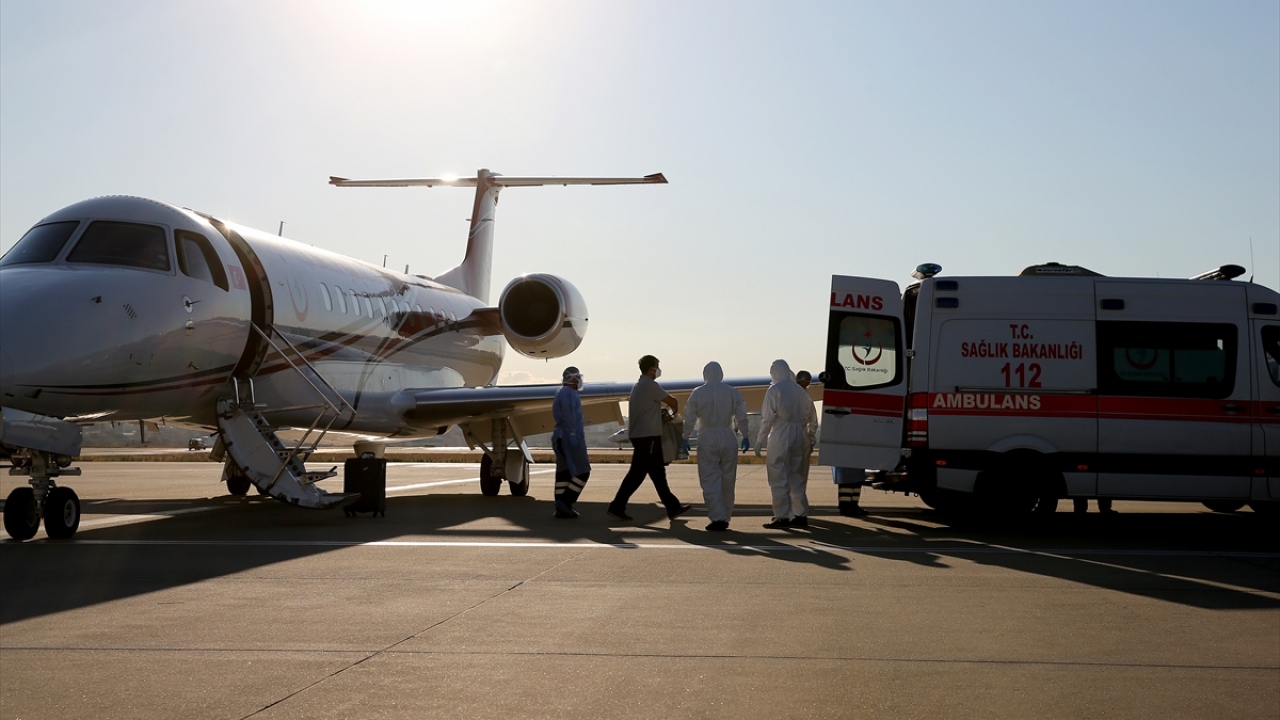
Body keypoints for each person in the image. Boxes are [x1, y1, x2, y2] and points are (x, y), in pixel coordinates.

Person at [607, 355, 692, 522]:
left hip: (643, 436)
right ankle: (617, 506)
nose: (659, 370)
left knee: (658, 474)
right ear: (652, 368)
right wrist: (672, 413)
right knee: (637, 474)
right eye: (657, 366)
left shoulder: (639, 385)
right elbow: (672, 401)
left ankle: (673, 507)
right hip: (648, 437)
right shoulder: (650, 385)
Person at [682, 361, 749, 531]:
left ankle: (717, 517)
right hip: (728, 436)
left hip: (708, 436)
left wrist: (685, 437)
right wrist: (746, 435)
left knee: (709, 479)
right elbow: (742, 416)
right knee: (728, 479)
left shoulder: (698, 393)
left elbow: (689, 418)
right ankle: (726, 516)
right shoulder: (732, 392)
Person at [756, 359, 818, 528]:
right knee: (798, 477)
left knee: (778, 476)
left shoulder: (774, 390)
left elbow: (767, 418)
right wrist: (811, 439)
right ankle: (800, 515)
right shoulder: (800, 391)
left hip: (781, 434)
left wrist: (760, 440)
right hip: (800, 434)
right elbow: (812, 417)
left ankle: (782, 516)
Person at [551, 366, 591, 518]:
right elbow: (568, 414)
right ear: (573, 378)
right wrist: (573, 432)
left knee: (563, 472)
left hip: (559, 437)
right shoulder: (570, 394)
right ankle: (566, 502)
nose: (579, 380)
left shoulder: (560, 392)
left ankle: (560, 505)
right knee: (583, 471)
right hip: (569, 438)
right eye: (578, 377)